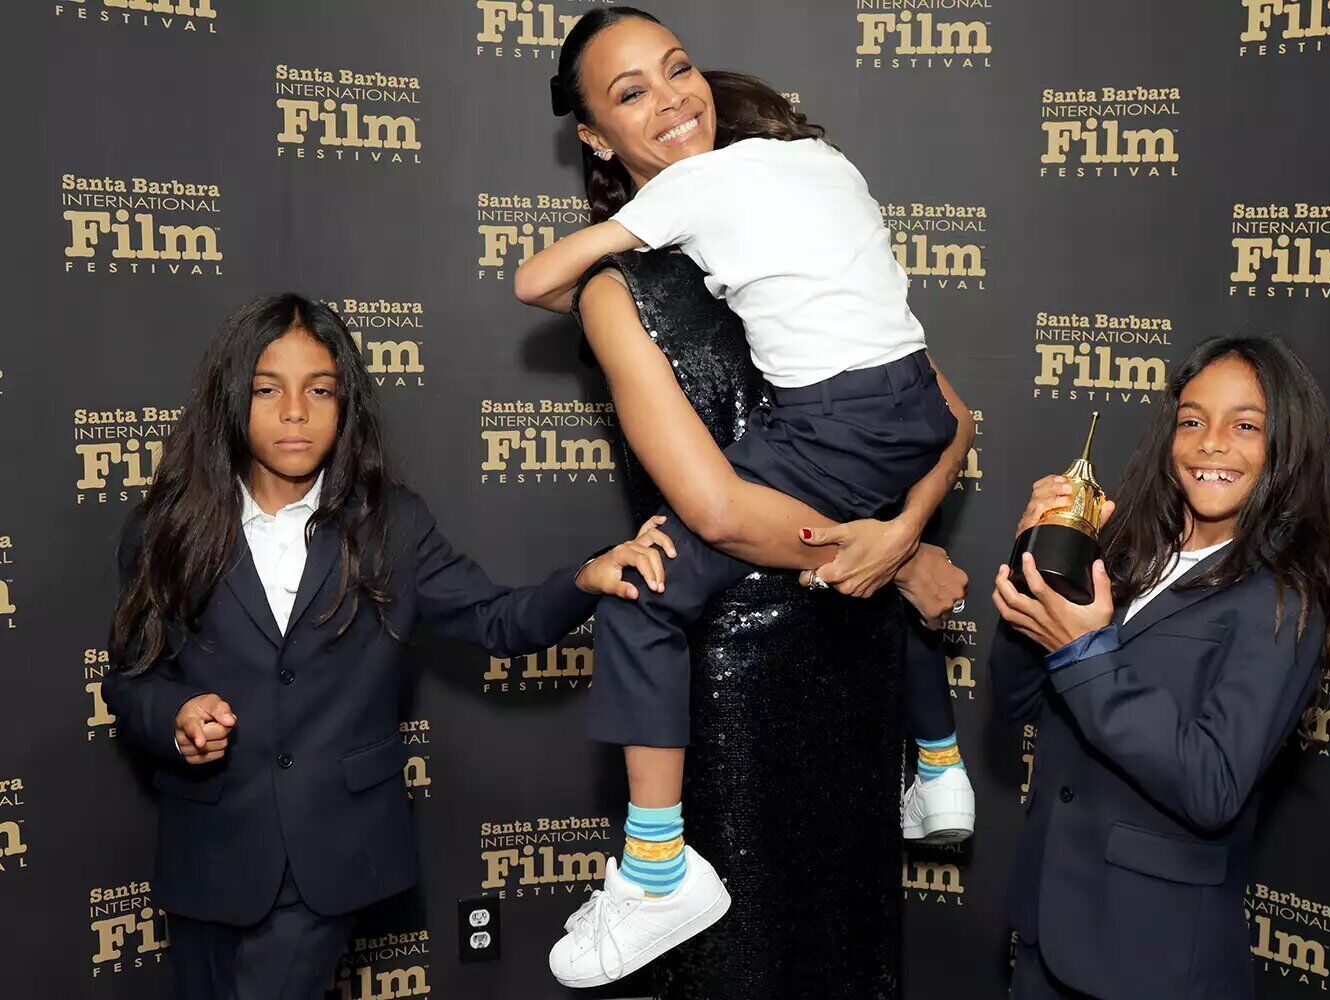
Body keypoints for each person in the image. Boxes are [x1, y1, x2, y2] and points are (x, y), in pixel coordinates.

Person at [524, 7, 974, 987]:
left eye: (676, 69)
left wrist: (899, 535)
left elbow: (946, 415)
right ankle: (655, 872)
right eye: (630, 91)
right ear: (595, 135)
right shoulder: (614, 286)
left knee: (850, 954)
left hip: (854, 658)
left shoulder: (792, 215)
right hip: (730, 674)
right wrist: (883, 551)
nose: (671, 97)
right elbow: (720, 510)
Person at [102, 294, 671, 1000]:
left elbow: (498, 620)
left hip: (330, 854)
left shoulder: (391, 526)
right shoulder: (168, 526)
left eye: (320, 390)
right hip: (208, 854)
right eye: (267, 389)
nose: (294, 412)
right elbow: (130, 681)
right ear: (230, 399)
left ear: (346, 405)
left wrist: (583, 580)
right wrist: (177, 714)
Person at [990, 335, 1330, 999]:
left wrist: (1084, 652)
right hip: (1048, 930)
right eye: (1192, 420)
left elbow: (1212, 784)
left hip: (1150, 962)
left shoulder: (1280, 600)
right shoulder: (1124, 554)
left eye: (1245, 425)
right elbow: (1015, 702)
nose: (1211, 443)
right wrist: (1037, 565)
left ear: (1287, 444)